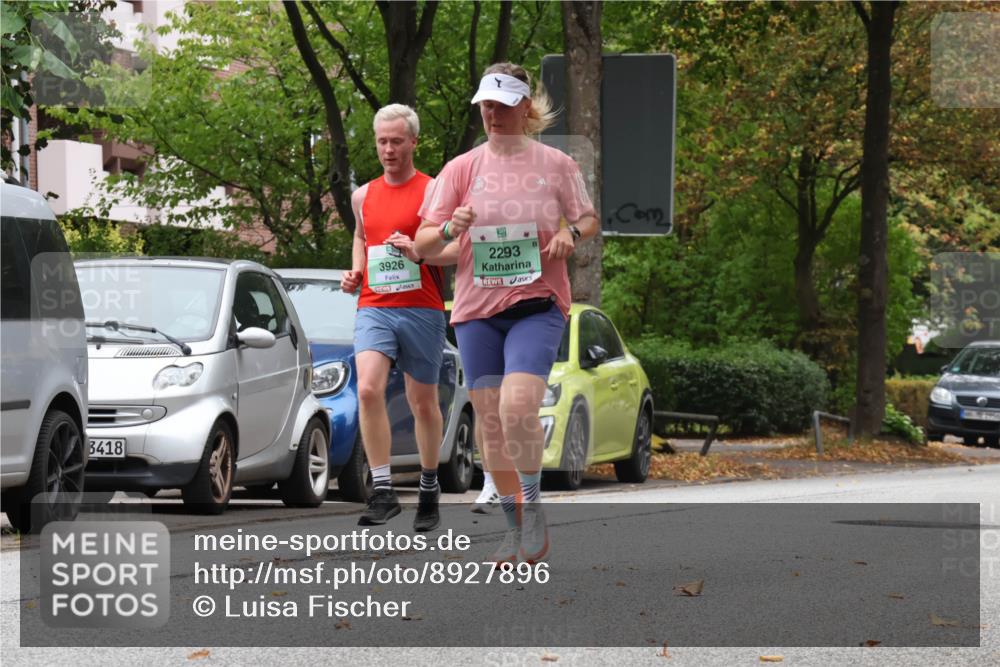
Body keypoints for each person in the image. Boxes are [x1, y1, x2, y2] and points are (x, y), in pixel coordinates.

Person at [415, 63, 599, 564]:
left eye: (500, 104)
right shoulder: (461, 169)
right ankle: (514, 525)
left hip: (537, 303)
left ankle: (534, 509)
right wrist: (453, 227)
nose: (491, 114)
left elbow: (588, 217)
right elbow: (424, 245)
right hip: (476, 309)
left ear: (524, 107)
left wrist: (571, 235)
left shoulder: (556, 164)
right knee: (491, 424)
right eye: (485, 106)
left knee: (518, 407)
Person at [342, 104, 458, 532]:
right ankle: (384, 490)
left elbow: (456, 250)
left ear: (413, 142)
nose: (388, 150)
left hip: (422, 306)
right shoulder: (363, 195)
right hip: (374, 305)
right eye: (381, 142)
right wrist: (356, 270)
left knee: (422, 402)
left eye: (396, 141)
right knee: (369, 389)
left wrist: (419, 250)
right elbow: (361, 235)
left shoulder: (434, 192)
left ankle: (429, 488)